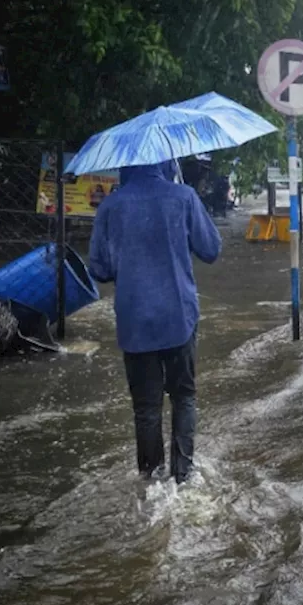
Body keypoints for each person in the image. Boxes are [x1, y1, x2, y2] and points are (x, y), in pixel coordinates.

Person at [87, 160, 221, 485]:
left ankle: (150, 482)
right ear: (164, 163)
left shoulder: (111, 206)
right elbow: (212, 249)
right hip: (179, 317)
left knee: (146, 408)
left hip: (135, 321)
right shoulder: (184, 197)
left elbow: (99, 269)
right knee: (183, 397)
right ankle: (182, 477)